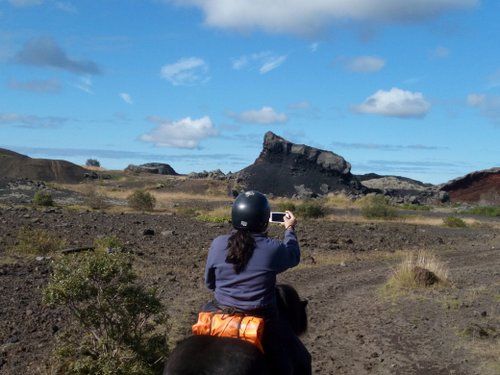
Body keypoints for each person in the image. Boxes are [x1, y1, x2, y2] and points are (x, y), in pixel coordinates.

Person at [203, 190, 311, 374]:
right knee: (301, 358)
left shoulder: (218, 243)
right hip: (261, 318)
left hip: (219, 311)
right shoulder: (273, 249)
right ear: (263, 220)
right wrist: (289, 229)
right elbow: (293, 255)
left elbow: (209, 283)